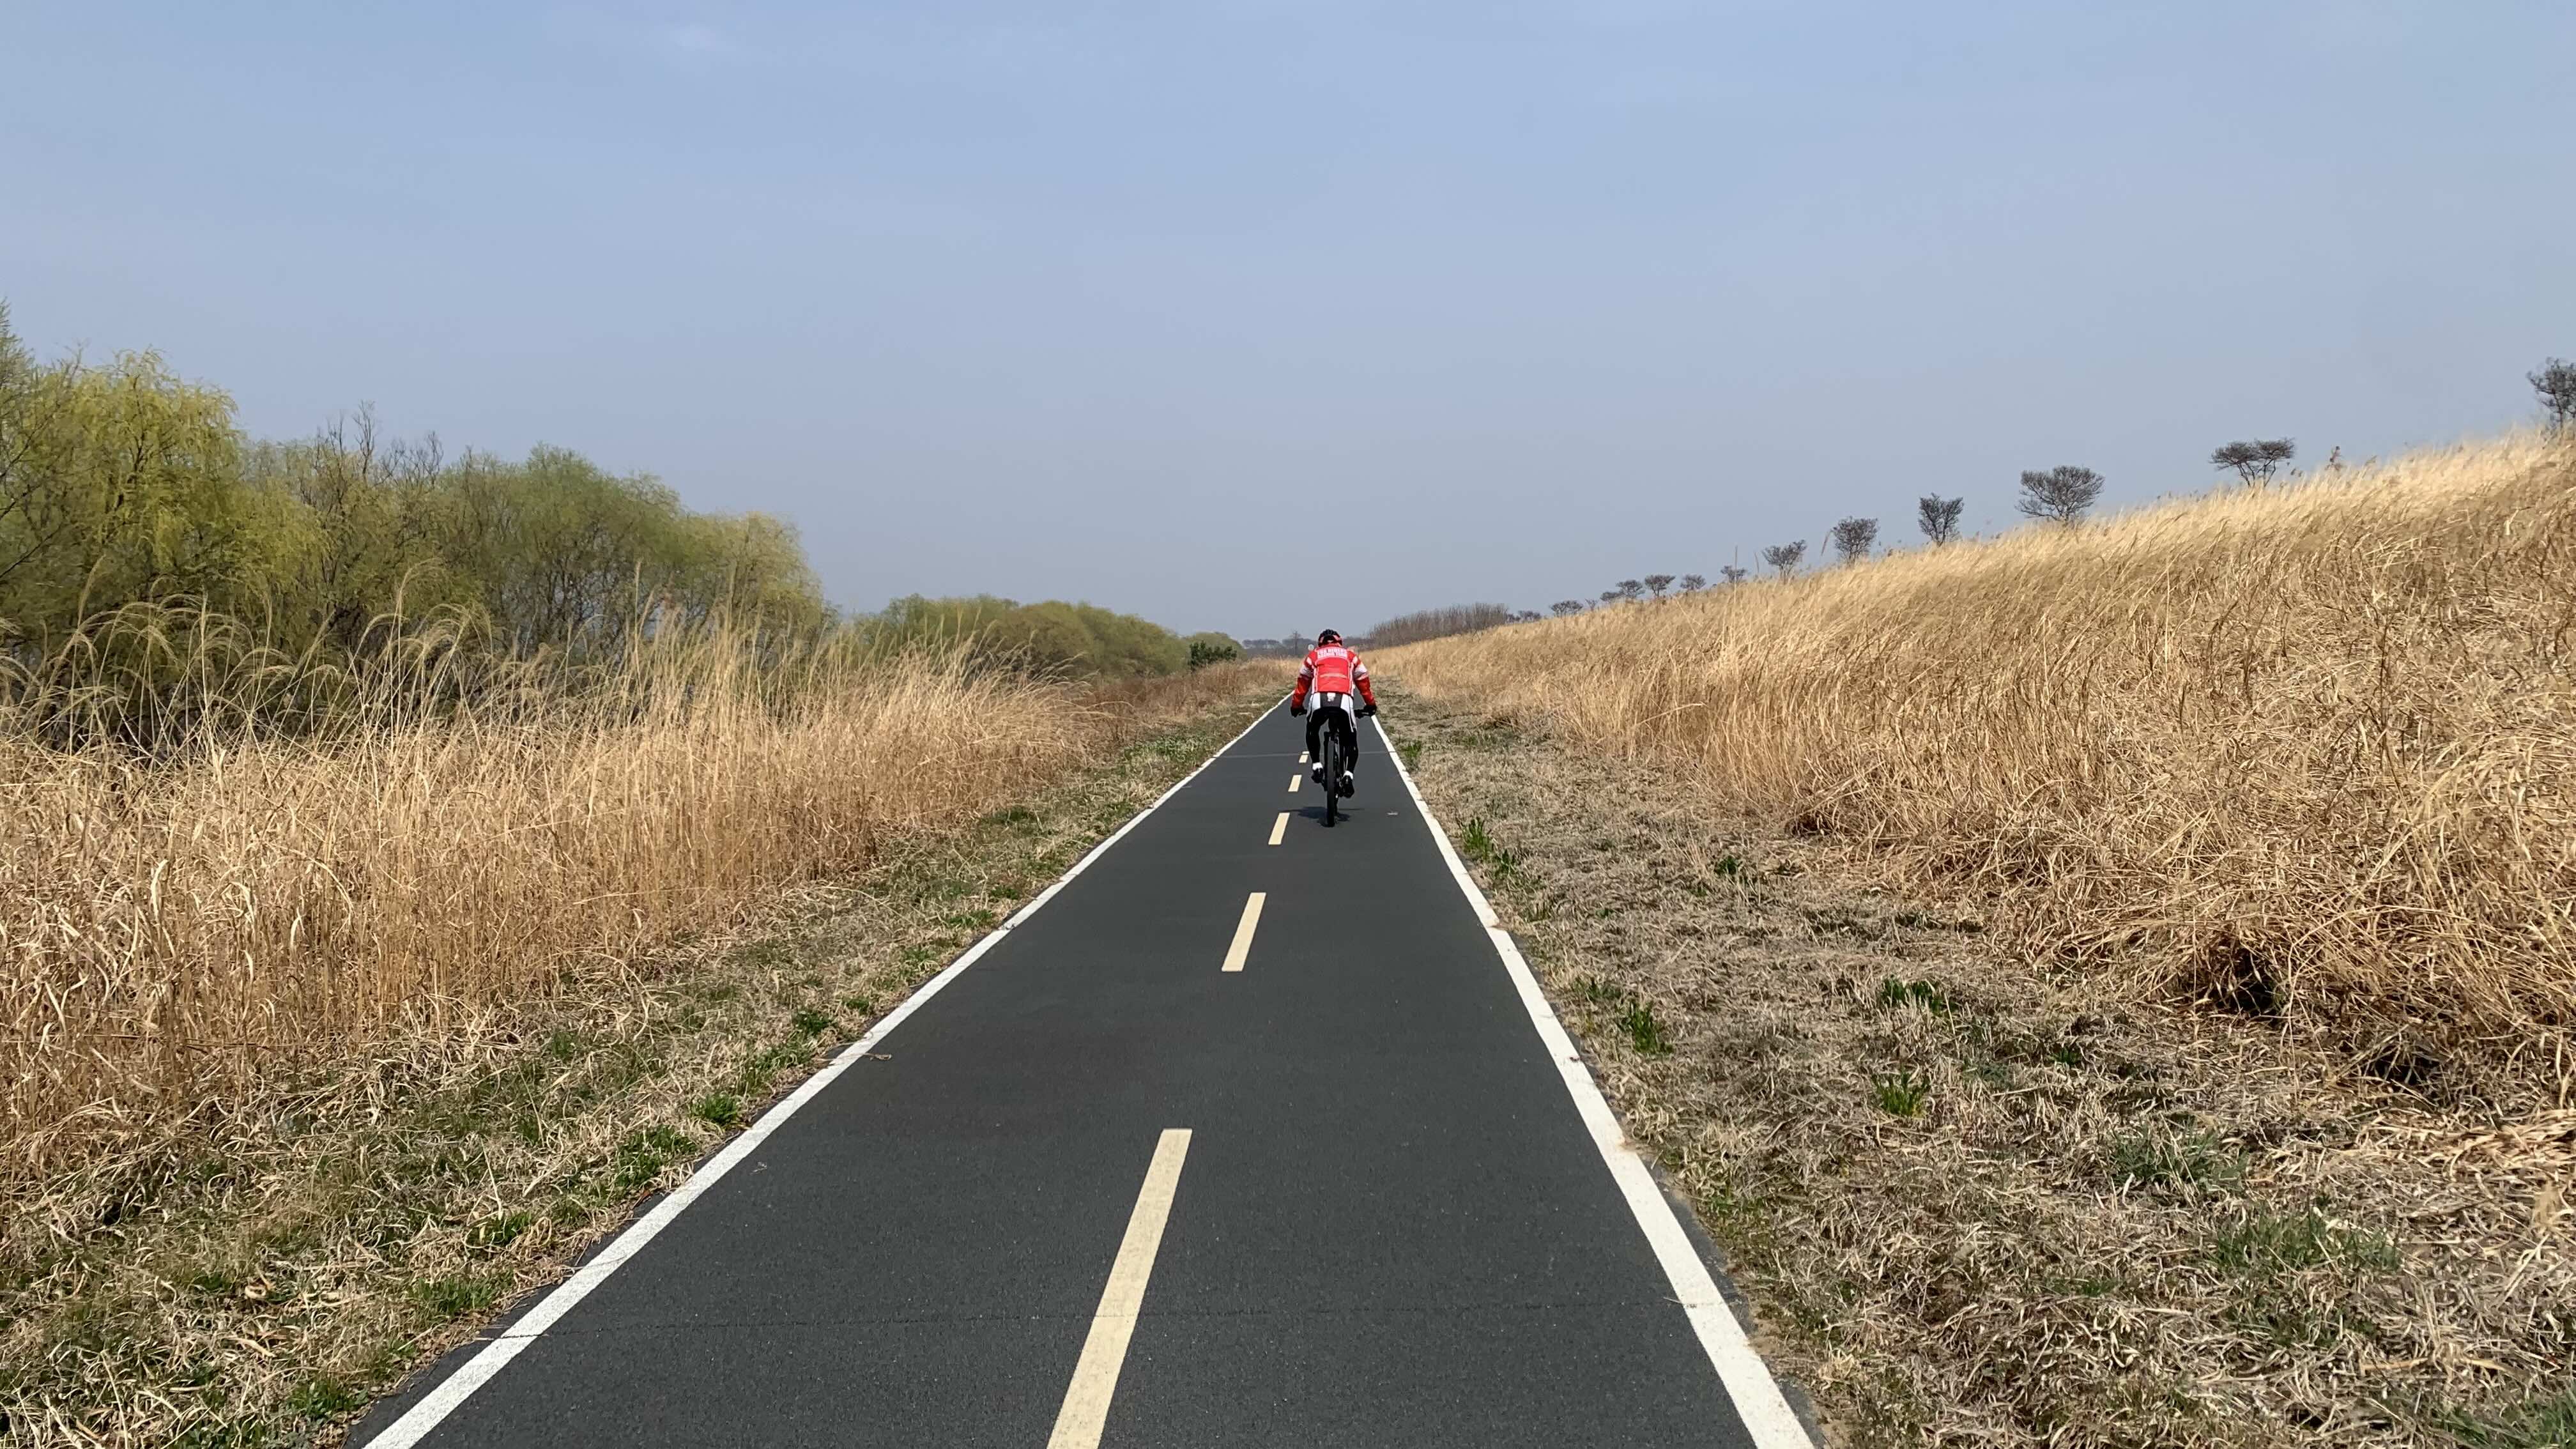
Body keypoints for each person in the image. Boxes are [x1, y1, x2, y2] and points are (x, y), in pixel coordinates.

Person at [1289, 629, 1376, 796]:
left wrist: (1296, 706)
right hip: (1344, 700)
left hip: (1319, 699)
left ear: (1320, 643)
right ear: (1339, 642)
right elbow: (1363, 682)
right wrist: (1370, 704)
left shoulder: (1314, 656)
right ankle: (1349, 775)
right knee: (1351, 738)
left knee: (1312, 730)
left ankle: (1316, 765)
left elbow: (1302, 684)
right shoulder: (1350, 656)